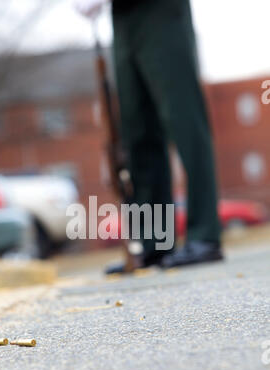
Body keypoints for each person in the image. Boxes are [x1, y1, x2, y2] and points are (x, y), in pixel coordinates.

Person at [76, 0, 224, 272]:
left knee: (184, 120)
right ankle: (154, 242)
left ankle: (204, 235)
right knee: (137, 130)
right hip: (121, 18)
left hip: (160, 10)